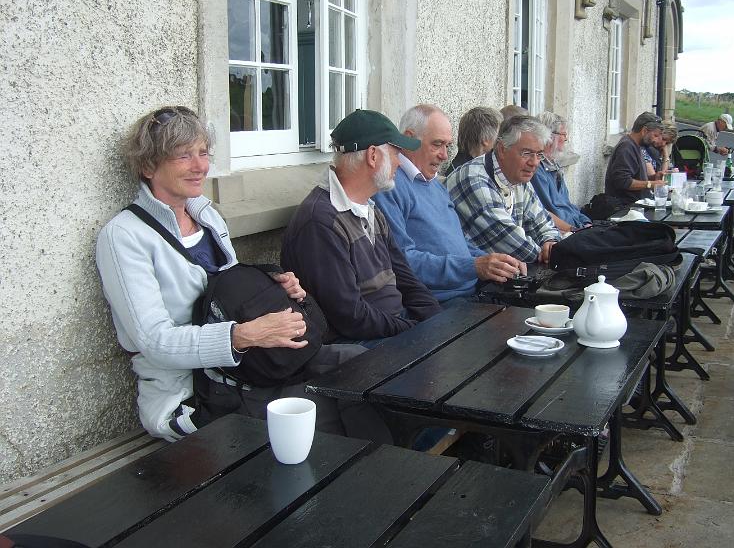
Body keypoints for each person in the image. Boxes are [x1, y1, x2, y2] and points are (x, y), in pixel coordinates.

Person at [96, 106, 390, 444]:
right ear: (148, 165)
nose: (199, 167)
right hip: (196, 394)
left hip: (251, 368)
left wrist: (277, 287)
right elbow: (153, 342)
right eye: (182, 156)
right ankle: (376, 475)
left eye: (203, 153)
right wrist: (242, 336)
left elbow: (229, 294)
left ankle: (387, 471)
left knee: (363, 365)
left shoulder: (206, 216)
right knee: (329, 408)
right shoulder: (125, 236)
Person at [281, 109, 442, 343]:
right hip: (361, 346)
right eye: (396, 153)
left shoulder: (370, 208)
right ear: (373, 156)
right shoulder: (320, 221)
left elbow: (406, 278)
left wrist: (437, 321)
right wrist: (413, 331)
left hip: (391, 330)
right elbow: (350, 316)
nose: (399, 161)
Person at [373, 104, 525, 302]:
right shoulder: (390, 186)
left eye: (448, 146)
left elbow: (460, 244)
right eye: (437, 144)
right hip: (440, 303)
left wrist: (497, 263)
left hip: (473, 292)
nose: (444, 155)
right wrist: (474, 266)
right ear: (409, 138)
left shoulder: (433, 183)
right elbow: (402, 261)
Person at [447, 115, 561, 265]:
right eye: (526, 153)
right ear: (501, 149)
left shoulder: (517, 175)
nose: (534, 163)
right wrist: (549, 254)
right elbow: (513, 246)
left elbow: (543, 222)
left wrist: (550, 241)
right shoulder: (473, 178)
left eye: (539, 154)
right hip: (467, 281)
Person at [530, 111, 591, 233]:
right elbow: (549, 211)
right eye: (563, 134)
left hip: (574, 226)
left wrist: (586, 221)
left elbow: (567, 204)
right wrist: (577, 229)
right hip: (561, 232)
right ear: (550, 137)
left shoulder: (554, 165)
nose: (566, 138)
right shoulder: (537, 170)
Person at [604, 111, 667, 203]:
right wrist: (650, 184)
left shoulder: (636, 145)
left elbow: (635, 177)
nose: (656, 140)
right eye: (655, 135)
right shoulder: (626, 147)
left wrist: (654, 178)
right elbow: (622, 181)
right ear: (644, 130)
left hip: (636, 206)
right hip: (625, 209)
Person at [444, 106, 502, 176]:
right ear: (485, 140)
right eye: (499, 136)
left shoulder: (472, 166)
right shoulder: (467, 174)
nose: (502, 141)